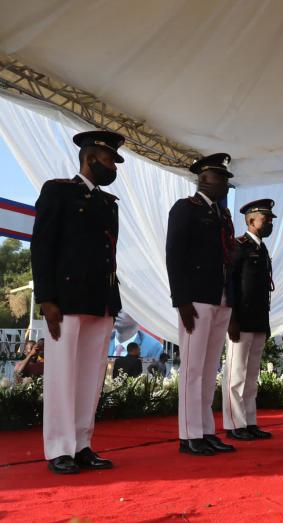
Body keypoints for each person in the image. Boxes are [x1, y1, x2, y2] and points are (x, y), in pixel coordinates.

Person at [31, 130, 125, 474]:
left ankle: (82, 444)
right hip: (66, 299)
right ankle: (59, 448)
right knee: (61, 376)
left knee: (90, 377)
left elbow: (108, 256)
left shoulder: (107, 203)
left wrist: (112, 302)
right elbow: (42, 247)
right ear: (89, 157)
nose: (113, 167)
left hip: (100, 299)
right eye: (108, 160)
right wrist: (46, 298)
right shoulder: (58, 192)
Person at [166, 153, 237, 456]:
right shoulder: (186, 208)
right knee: (193, 369)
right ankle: (189, 434)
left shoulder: (222, 216)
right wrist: (180, 299)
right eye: (221, 178)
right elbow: (175, 254)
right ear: (204, 178)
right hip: (194, 298)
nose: (225, 184)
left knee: (210, 369)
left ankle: (206, 430)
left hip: (218, 297)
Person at [223, 198, 277, 441]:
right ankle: (235, 424)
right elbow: (230, 284)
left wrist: (266, 324)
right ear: (251, 220)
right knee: (236, 375)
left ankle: (250, 421)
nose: (270, 223)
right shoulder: (239, 246)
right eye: (266, 219)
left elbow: (262, 290)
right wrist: (231, 318)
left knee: (251, 375)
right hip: (240, 319)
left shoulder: (261, 249)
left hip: (257, 319)